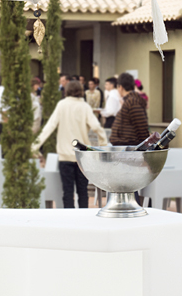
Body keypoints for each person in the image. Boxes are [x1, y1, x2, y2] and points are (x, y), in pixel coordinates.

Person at [32, 80, 107, 208]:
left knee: (67, 192)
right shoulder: (85, 107)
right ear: (81, 92)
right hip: (83, 157)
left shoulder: (62, 105)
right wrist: (103, 146)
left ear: (66, 91)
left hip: (65, 156)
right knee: (83, 192)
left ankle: (70, 220)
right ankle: (84, 220)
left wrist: (34, 146)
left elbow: (49, 126)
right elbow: (96, 127)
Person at [110, 72, 150, 146]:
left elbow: (141, 128)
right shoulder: (130, 101)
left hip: (129, 146)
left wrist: (145, 146)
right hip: (125, 145)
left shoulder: (133, 102)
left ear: (121, 87)